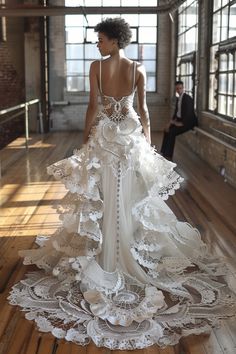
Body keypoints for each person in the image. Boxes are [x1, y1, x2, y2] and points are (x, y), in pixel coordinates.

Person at [9, 18, 235, 350]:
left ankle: (109, 251)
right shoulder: (137, 70)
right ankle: (124, 245)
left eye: (100, 39)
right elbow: (141, 110)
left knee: (106, 196)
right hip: (128, 139)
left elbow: (92, 107)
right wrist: (146, 144)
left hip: (105, 138)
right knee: (128, 196)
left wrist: (87, 141)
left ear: (115, 40)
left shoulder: (97, 68)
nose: (97, 44)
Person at [160, 80, 198, 160]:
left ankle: (168, 155)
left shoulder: (187, 98)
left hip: (188, 122)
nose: (179, 90)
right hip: (179, 120)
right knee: (166, 130)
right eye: (177, 89)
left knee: (172, 132)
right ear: (175, 89)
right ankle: (163, 151)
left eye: (180, 88)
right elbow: (176, 112)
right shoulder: (178, 99)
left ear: (183, 88)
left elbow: (189, 114)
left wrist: (181, 123)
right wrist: (170, 123)